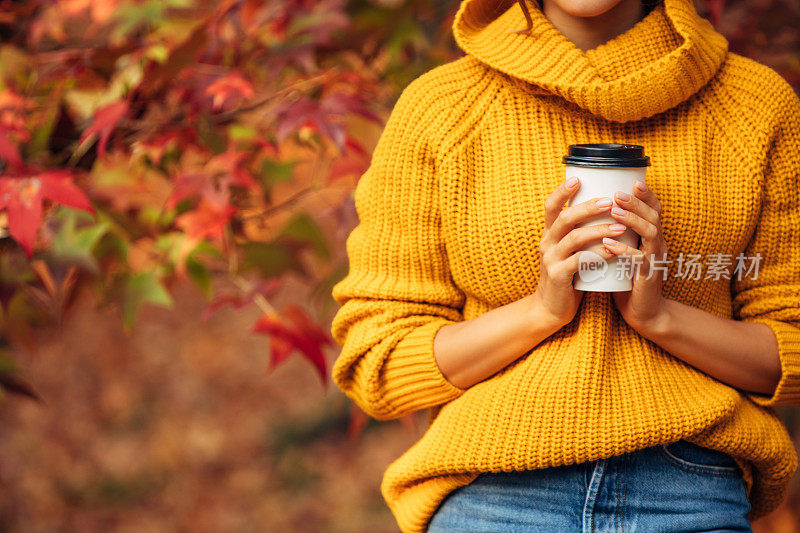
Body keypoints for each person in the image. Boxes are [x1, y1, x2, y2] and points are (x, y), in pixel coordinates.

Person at [329, 0, 800, 531]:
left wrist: (660, 317)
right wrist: (540, 311)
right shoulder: (440, 108)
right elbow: (381, 360)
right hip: (494, 495)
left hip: (689, 492)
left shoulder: (755, 106)